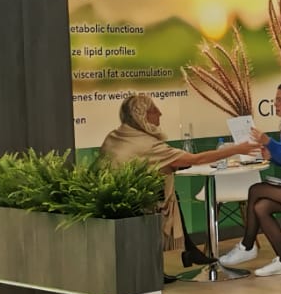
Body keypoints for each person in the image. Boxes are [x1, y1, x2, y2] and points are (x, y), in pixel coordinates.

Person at [99, 93, 258, 273]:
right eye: (154, 110)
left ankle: (189, 251)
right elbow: (195, 159)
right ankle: (187, 252)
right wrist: (237, 149)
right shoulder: (147, 144)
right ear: (144, 116)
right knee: (166, 194)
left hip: (109, 200)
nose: (160, 113)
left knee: (168, 189)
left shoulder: (115, 136)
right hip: (137, 204)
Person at [219, 81, 281, 276]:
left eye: (280, 100)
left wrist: (269, 142)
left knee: (256, 190)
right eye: (275, 100)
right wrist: (271, 156)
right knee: (261, 207)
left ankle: (247, 246)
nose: (275, 104)